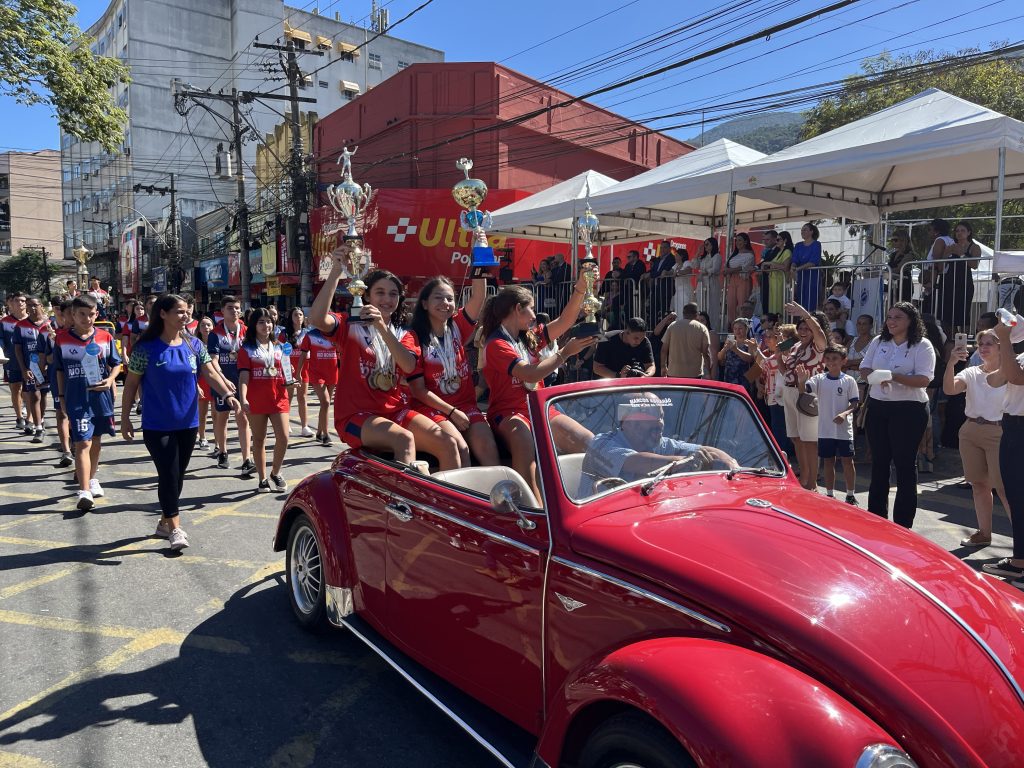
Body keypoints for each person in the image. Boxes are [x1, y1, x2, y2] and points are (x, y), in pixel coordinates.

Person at [310, 247, 462, 470]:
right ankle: (403, 505)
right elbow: (316, 319)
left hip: (395, 411)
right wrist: (335, 271)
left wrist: (381, 327)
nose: (387, 299)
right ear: (367, 296)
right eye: (380, 292)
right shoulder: (349, 324)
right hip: (356, 416)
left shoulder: (405, 334)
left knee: (448, 444)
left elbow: (408, 365)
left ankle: (449, 504)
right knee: (403, 439)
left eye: (393, 294)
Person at [122, 294, 240, 550]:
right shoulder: (145, 348)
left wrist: (228, 395)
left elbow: (209, 373)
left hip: (188, 423)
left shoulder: (194, 345)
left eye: (187, 311)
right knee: (168, 473)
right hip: (156, 424)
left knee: (178, 476)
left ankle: (165, 520)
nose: (185, 316)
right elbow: (131, 385)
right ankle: (176, 529)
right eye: (179, 311)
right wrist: (125, 419)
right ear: (163, 314)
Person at [479, 279, 597, 499]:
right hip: (508, 413)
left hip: (539, 409)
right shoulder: (496, 344)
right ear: (517, 309)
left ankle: (586, 501)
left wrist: (581, 288)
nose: (534, 314)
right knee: (524, 441)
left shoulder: (529, 337)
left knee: (588, 442)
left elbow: (566, 320)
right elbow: (531, 374)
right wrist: (563, 354)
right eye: (531, 307)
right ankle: (534, 510)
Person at [404, 274, 498, 467]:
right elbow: (418, 390)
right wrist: (452, 411)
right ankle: (455, 497)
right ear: (424, 304)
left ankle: (495, 494)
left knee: (488, 446)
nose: (445, 303)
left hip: (465, 405)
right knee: (460, 448)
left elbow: (479, 295)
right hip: (431, 408)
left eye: (450, 298)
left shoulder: (457, 327)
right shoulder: (413, 338)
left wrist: (480, 253)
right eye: (438, 297)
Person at [858, 302, 936, 528]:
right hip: (879, 406)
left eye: (898, 317)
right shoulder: (879, 341)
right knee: (879, 463)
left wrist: (893, 376)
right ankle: (876, 518)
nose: (891, 321)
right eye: (889, 317)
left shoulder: (923, 345)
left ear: (911, 321)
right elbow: (864, 367)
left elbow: (924, 380)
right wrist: (872, 376)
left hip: (909, 410)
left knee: (904, 464)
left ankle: (903, 524)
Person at [578, 392, 736, 497]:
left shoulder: (661, 444)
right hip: (593, 524)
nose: (659, 423)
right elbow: (639, 462)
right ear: (628, 421)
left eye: (661, 416)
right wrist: (690, 461)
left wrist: (730, 465)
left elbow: (705, 450)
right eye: (650, 416)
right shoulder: (602, 444)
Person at [53, 295, 122, 510]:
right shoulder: (62, 339)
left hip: (100, 399)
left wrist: (111, 380)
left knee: (96, 441)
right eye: (82, 314)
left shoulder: (105, 337)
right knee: (82, 442)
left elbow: (116, 364)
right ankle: (83, 491)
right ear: (72, 315)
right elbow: (59, 371)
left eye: (91, 314)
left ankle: (92, 479)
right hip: (76, 399)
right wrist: (62, 397)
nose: (87, 318)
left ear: (97, 314)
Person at [943, 329, 1008, 547]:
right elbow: (950, 389)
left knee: (1005, 488)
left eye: (990, 343)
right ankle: (983, 533)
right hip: (971, 430)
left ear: (1001, 347)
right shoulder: (971, 372)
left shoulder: (1012, 372)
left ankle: (1020, 546)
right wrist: (951, 363)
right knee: (979, 484)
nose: (984, 348)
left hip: (999, 431)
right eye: (981, 344)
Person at [981, 317, 1024, 584]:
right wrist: (1003, 345)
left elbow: (1016, 378)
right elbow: (996, 379)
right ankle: (1019, 561)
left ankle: (1020, 565)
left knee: (1019, 496)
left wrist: (1005, 340)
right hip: (1013, 426)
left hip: (1020, 429)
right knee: (1017, 497)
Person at [237, 308, 291, 493]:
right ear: (254, 325)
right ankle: (262, 479)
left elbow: (286, 372)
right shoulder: (246, 349)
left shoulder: (280, 346)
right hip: (256, 400)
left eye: (269, 321)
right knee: (259, 439)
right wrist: (242, 398)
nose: (266, 325)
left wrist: (292, 382)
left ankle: (276, 473)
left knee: (284, 437)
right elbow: (244, 377)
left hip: (278, 398)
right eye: (261, 321)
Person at [778, 302, 828, 490]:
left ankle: (812, 483)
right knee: (796, 438)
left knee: (809, 441)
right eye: (801, 328)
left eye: (808, 328)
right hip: (790, 392)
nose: (804, 331)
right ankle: (805, 478)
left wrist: (806, 314)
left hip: (807, 393)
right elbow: (785, 372)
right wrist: (778, 357)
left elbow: (819, 333)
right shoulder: (795, 346)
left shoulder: (819, 346)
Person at [806, 345, 859, 504]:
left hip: (844, 431)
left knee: (847, 461)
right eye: (827, 359)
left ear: (844, 361)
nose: (830, 362)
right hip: (825, 430)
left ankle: (850, 494)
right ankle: (829, 494)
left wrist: (844, 414)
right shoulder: (819, 379)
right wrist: (802, 380)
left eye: (835, 359)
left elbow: (855, 403)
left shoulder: (849, 381)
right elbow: (806, 388)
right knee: (828, 461)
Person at [208, 295, 253, 473]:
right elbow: (213, 359)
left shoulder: (248, 331)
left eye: (236, 308)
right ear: (222, 311)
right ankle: (222, 451)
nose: (234, 311)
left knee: (243, 418)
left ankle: (246, 460)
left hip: (243, 382)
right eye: (230, 308)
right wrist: (223, 379)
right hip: (222, 382)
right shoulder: (215, 333)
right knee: (223, 417)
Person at [13, 295, 52, 442]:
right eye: (29, 305)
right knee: (34, 395)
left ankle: (40, 420)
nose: (32, 308)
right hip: (31, 367)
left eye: (35, 305)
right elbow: (17, 349)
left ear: (41, 305)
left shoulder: (49, 324)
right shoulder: (21, 326)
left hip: (48, 367)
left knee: (43, 395)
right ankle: (38, 428)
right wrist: (23, 368)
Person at [299, 324, 340, 447]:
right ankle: (326, 435)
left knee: (325, 405)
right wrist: (298, 373)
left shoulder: (336, 334)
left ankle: (318, 432)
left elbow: (341, 354)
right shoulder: (311, 335)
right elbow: (303, 354)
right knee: (326, 402)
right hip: (317, 374)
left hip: (332, 373)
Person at [938, 220, 980, 334]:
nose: (959, 233)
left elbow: (975, 265)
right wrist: (946, 254)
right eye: (957, 230)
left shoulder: (974, 247)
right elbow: (940, 267)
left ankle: (964, 340)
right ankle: (952, 340)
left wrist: (961, 254)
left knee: (963, 313)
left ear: (969, 232)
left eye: (962, 230)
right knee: (948, 315)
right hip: (948, 283)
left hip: (964, 283)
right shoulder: (950, 246)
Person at [48, 299, 75, 468]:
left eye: (75, 313)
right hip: (59, 381)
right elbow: (49, 359)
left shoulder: (90, 334)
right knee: (62, 414)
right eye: (69, 314)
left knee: (77, 418)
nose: (73, 318)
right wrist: (54, 343)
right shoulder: (55, 335)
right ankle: (66, 451)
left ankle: (77, 447)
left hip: (81, 384)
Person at [281, 307, 313, 438]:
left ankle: (305, 426)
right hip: (288, 369)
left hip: (304, 369)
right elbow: (280, 351)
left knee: (302, 398)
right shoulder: (284, 333)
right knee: (288, 397)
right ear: (291, 317)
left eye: (300, 314)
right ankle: (285, 423)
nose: (298, 317)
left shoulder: (308, 333)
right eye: (295, 314)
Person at [661, 303, 710, 379]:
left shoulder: (672, 326)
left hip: (674, 372)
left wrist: (663, 367)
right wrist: (709, 372)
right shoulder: (702, 328)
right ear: (697, 314)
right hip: (694, 373)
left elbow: (664, 350)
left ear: (683, 313)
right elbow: (705, 353)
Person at [2, 293, 28, 431]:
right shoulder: (5, 322)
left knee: (28, 391)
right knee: (15, 389)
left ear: (26, 303)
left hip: (30, 362)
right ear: (12, 303)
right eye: (17, 301)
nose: (20, 303)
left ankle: (31, 418)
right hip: (12, 361)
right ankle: (19, 417)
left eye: (23, 301)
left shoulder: (31, 320)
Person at [920, 218, 953, 316]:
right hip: (944, 278)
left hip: (938, 280)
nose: (928, 232)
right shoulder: (950, 240)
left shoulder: (939, 240)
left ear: (937, 231)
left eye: (930, 229)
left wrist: (931, 283)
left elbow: (935, 263)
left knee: (933, 312)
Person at [194, 315, 216, 451]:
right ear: (199, 328)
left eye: (208, 325)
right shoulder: (195, 344)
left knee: (216, 415)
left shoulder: (217, 342)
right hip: (201, 381)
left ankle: (218, 443)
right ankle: (202, 437)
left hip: (214, 382)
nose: (206, 327)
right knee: (202, 414)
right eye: (203, 325)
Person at [723, 233, 757, 324]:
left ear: (745, 242)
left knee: (743, 304)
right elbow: (726, 268)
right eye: (736, 240)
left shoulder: (750, 255)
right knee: (730, 305)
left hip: (743, 279)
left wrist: (731, 270)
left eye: (740, 240)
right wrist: (730, 271)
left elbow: (744, 267)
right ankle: (733, 326)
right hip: (732, 280)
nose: (737, 242)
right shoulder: (733, 255)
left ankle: (744, 325)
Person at [792, 222, 822, 310]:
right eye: (801, 230)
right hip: (801, 276)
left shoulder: (816, 244)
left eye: (805, 230)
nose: (802, 232)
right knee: (801, 298)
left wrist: (798, 269)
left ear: (811, 232)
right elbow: (795, 259)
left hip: (812, 276)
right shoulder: (798, 245)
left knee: (811, 298)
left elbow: (813, 261)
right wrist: (793, 267)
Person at [718, 318, 755, 388]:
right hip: (729, 380)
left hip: (743, 382)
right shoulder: (730, 343)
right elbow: (720, 358)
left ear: (746, 329)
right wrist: (724, 349)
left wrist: (736, 350)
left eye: (740, 328)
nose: (737, 331)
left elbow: (751, 359)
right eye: (735, 329)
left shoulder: (750, 343)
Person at [695, 238, 722, 330]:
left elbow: (715, 269)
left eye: (707, 244)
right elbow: (694, 265)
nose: (705, 246)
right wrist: (698, 252)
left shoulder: (717, 256)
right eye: (704, 244)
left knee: (712, 306)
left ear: (713, 245)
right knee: (702, 306)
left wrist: (703, 272)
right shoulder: (704, 257)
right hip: (702, 284)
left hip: (712, 283)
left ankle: (713, 329)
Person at [887, 230, 916, 304]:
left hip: (904, 284)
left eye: (895, 240)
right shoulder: (893, 254)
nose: (893, 242)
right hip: (893, 284)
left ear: (903, 240)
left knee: (903, 308)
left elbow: (899, 269)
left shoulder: (909, 254)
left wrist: (886, 272)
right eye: (892, 240)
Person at [671, 247, 695, 316]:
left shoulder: (687, 262)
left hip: (685, 291)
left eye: (676, 255)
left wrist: (678, 272)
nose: (675, 257)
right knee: (678, 311)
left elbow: (688, 270)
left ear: (681, 256)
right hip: (678, 292)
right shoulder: (676, 265)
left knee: (684, 309)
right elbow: (671, 272)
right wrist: (665, 272)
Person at [697, 310, 719, 379]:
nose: (700, 323)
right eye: (697, 320)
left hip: (707, 370)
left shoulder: (711, 333)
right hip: (696, 369)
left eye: (702, 320)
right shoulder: (694, 334)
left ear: (707, 322)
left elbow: (714, 356)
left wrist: (712, 375)